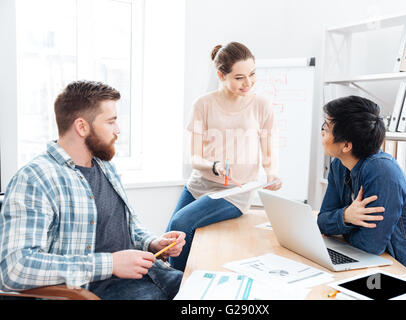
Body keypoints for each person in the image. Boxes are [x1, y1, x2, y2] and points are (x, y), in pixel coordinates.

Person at [0, 80, 186, 300]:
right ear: (82, 126)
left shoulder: (104, 165)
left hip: (150, 274)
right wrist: (111, 264)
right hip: (97, 291)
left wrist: (153, 243)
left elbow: (126, 227)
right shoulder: (35, 178)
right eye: (111, 121)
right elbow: (15, 268)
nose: (118, 130)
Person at [166, 42, 282, 271]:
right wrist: (214, 165)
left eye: (252, 74)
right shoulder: (203, 104)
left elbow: (268, 150)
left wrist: (272, 174)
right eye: (239, 77)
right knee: (172, 233)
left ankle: (177, 284)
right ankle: (175, 283)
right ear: (221, 74)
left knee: (181, 222)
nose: (248, 83)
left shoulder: (261, 105)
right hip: (199, 185)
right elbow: (195, 158)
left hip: (234, 192)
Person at [317, 95, 406, 275]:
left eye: (327, 128)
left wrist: (340, 222)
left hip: (404, 274)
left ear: (346, 145)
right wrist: (347, 216)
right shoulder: (339, 165)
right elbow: (322, 221)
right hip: (371, 265)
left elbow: (370, 246)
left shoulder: (382, 171)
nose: (322, 133)